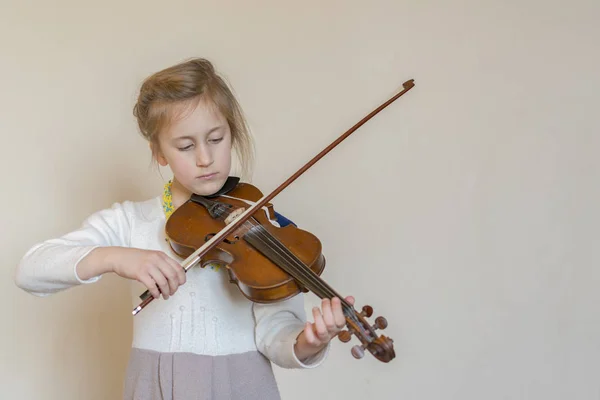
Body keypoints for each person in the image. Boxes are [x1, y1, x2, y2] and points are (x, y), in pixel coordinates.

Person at [14, 57, 354, 399]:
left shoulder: (257, 222)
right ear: (159, 152)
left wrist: (307, 342)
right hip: (157, 386)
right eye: (186, 146)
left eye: (216, 139)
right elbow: (31, 270)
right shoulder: (132, 221)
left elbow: (276, 332)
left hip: (241, 385)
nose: (205, 158)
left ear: (231, 134)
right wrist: (116, 258)